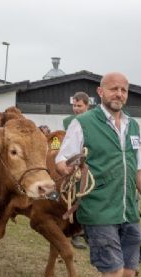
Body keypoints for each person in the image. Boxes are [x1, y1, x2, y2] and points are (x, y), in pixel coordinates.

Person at [56, 72, 141, 277]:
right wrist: (68, 168)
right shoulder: (83, 123)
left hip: (127, 208)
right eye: (114, 89)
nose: (119, 94)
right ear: (100, 92)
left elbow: (138, 170)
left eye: (124, 90)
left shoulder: (133, 126)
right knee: (113, 272)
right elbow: (61, 160)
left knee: (128, 271)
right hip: (99, 207)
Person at [63, 92, 90, 250]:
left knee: (89, 198)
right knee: (73, 197)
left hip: (89, 164)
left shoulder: (93, 121)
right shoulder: (68, 121)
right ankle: (74, 233)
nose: (76, 108)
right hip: (73, 164)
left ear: (87, 105)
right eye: (74, 105)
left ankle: (88, 232)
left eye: (79, 106)